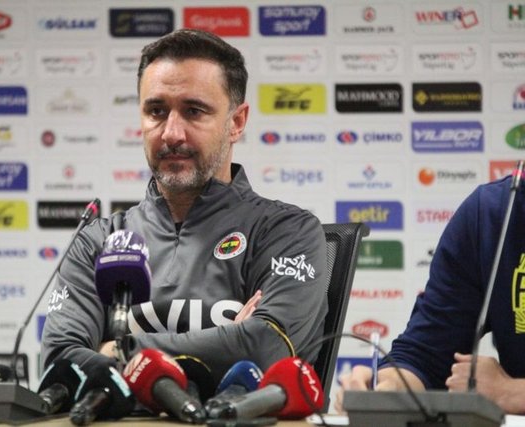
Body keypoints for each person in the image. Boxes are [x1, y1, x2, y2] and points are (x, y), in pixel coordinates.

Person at [41, 28, 328, 383]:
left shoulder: (288, 232)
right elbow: (61, 364)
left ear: (236, 122)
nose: (172, 133)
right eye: (156, 111)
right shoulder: (98, 241)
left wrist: (115, 349)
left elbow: (264, 348)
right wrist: (227, 341)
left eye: (193, 111)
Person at [336, 173, 525, 414]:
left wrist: (510, 392)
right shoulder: (492, 210)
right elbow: (428, 354)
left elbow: (505, 393)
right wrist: (389, 387)